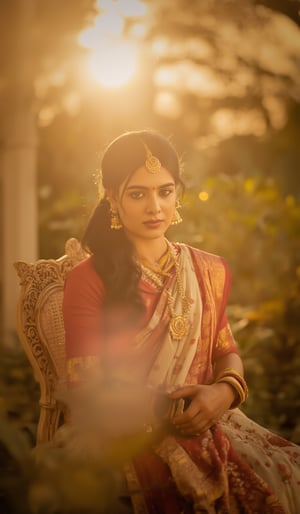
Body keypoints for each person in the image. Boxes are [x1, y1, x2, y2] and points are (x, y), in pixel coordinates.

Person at [62, 129, 300, 514]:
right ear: (112, 198)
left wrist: (223, 393)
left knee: (288, 470)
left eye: (165, 191)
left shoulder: (207, 270)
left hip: (212, 418)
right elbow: (86, 390)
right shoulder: (89, 279)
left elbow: (227, 351)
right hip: (126, 432)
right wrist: (170, 412)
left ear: (178, 194)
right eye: (138, 193)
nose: (155, 206)